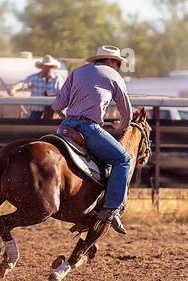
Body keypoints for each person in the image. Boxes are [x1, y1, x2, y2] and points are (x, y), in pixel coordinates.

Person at [53, 44, 133, 234]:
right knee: (123, 160)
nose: (118, 67)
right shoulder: (114, 75)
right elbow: (127, 112)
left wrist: (71, 116)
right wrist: (121, 126)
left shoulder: (77, 72)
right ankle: (111, 209)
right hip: (88, 128)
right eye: (118, 63)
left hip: (64, 128)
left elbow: (57, 106)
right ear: (113, 61)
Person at [16, 54, 66, 120]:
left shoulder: (58, 79)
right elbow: (23, 83)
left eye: (50, 66)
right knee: (32, 128)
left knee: (52, 128)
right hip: (36, 111)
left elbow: (63, 95)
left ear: (53, 67)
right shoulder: (34, 77)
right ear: (42, 67)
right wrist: (14, 88)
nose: (47, 68)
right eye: (45, 66)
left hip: (52, 112)